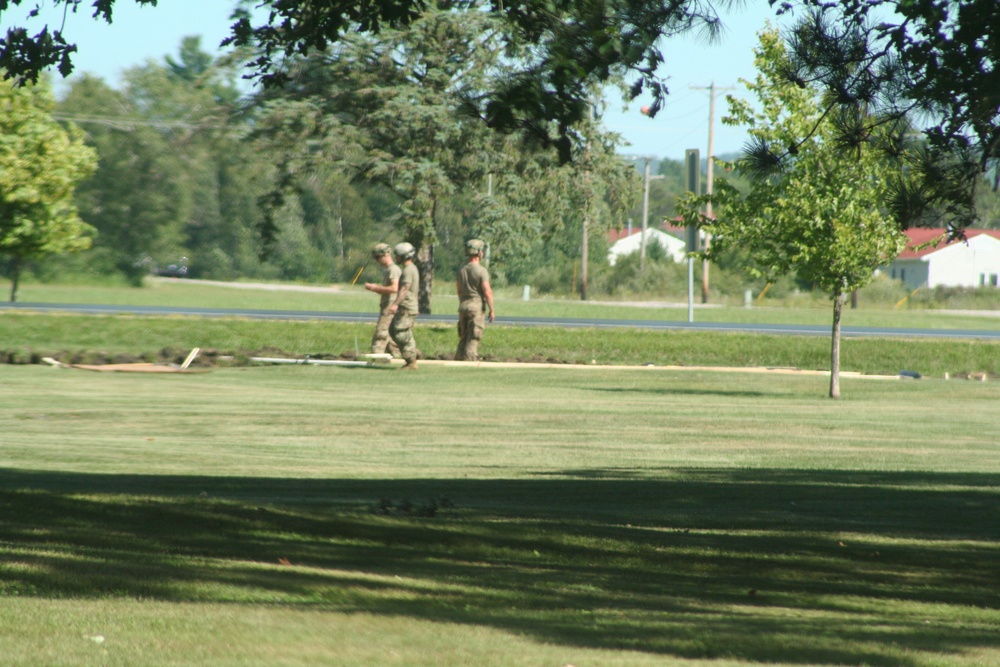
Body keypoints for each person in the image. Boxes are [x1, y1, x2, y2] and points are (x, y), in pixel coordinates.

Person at [455, 238, 495, 362]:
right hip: (476, 307)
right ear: (478, 253)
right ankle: (469, 362)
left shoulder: (462, 270)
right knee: (473, 338)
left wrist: (462, 302)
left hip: (463, 306)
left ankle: (458, 361)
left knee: (463, 337)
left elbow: (459, 291)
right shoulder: (481, 271)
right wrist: (492, 310)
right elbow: (487, 291)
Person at [387, 242, 421, 370]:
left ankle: (412, 360)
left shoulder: (408, 270)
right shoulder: (409, 269)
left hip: (407, 307)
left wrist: (395, 304)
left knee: (401, 333)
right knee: (394, 330)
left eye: (398, 255)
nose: (396, 258)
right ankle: (410, 356)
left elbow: (405, 288)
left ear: (404, 255)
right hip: (405, 307)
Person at [363, 243, 401, 356]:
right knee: (390, 335)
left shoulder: (393, 270)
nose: (377, 260)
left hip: (390, 305)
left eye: (378, 257)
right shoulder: (389, 270)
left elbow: (395, 288)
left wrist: (375, 288)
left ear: (386, 255)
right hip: (387, 305)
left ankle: (376, 355)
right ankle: (397, 355)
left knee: (381, 332)